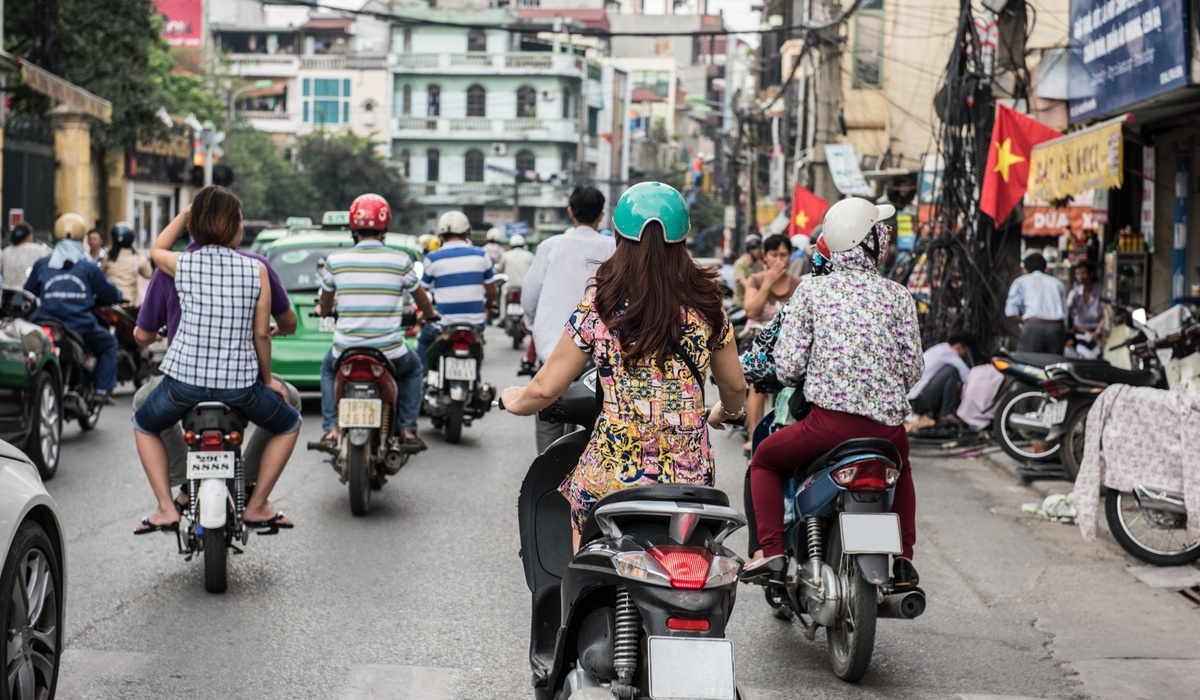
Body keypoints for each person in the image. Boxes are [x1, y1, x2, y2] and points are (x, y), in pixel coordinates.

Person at [500, 181, 747, 552]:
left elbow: (545, 388)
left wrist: (514, 400)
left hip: (612, 475)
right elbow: (735, 388)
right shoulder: (708, 305)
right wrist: (727, 411)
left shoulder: (600, 305)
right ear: (683, 239)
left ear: (618, 236)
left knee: (581, 527)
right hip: (689, 478)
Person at [742, 198, 924, 589]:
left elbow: (788, 368)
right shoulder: (898, 295)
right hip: (888, 433)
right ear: (869, 241)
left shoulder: (811, 292)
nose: (885, 236)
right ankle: (904, 560)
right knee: (904, 469)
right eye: (880, 231)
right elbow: (912, 370)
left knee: (764, 459)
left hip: (827, 428)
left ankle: (772, 552)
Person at [131, 185, 300, 535]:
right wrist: (267, 381)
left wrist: (185, 213)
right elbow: (262, 335)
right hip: (241, 388)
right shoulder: (257, 269)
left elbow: (157, 249)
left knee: (144, 424)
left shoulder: (182, 264)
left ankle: (166, 507)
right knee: (289, 423)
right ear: (235, 226)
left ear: (195, 225)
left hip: (183, 385)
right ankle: (257, 505)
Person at [317, 193, 437, 452]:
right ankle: (407, 428)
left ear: (353, 227)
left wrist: (324, 310)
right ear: (385, 228)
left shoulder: (335, 261)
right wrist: (429, 314)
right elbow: (421, 299)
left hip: (345, 349)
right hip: (389, 350)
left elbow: (325, 304)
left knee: (327, 369)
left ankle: (330, 429)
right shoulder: (401, 261)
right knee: (414, 369)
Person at [522, 186, 616, 453]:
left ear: (570, 212)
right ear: (601, 215)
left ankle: (546, 466)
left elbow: (529, 295)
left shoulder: (550, 246)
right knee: (598, 416)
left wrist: (530, 323)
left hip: (552, 347)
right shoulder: (613, 247)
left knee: (548, 411)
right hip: (600, 353)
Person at [24, 213, 123, 405]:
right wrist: (117, 296)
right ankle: (101, 389)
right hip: (79, 325)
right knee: (109, 343)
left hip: (44, 323)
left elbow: (28, 292)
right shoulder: (88, 268)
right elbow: (110, 294)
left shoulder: (42, 265)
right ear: (81, 238)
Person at [741, 234, 803, 453]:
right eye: (774, 254)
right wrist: (767, 283)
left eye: (783, 255)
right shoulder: (756, 280)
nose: (779, 260)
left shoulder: (799, 284)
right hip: (759, 342)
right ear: (765, 256)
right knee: (757, 381)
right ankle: (753, 435)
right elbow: (751, 310)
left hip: (788, 345)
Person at [418, 211, 497, 369]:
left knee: (423, 341)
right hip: (475, 323)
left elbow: (421, 292)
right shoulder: (481, 255)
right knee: (476, 352)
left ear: (441, 235)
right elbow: (492, 291)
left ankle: (423, 377)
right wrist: (488, 305)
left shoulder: (433, 258)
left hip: (443, 323)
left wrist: (425, 314)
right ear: (467, 232)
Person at [1004, 252, 1067, 354]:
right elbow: (1065, 313)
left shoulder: (1020, 281)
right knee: (1055, 363)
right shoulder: (1057, 283)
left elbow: (1010, 312)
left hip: (1032, 326)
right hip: (1055, 328)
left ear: (1024, 269)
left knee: (1026, 362)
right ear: (1045, 268)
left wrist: (1027, 321)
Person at [907, 332, 973, 427]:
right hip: (918, 401)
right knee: (951, 371)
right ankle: (946, 413)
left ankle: (940, 412)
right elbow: (968, 377)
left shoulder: (940, 348)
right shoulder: (949, 353)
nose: (965, 354)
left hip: (913, 399)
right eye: (966, 350)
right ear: (958, 347)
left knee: (950, 375)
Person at [101, 222, 153, 306]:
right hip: (130, 304)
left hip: (111, 303)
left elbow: (101, 273)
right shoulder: (139, 259)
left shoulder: (107, 258)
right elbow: (149, 275)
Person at [1066, 261, 1106, 359]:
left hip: (1099, 331)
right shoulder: (1074, 293)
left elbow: (1106, 314)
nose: (1080, 277)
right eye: (1077, 274)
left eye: (1083, 273)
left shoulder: (1101, 291)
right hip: (1080, 330)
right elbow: (1067, 312)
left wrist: (1097, 332)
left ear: (1091, 274)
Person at [1, 222, 52, 288]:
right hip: (28, 293)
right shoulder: (39, 250)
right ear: (29, 236)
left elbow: (2, 273)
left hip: (7, 292)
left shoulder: (6, 252)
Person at [731, 234, 763, 307]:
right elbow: (743, 282)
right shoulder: (740, 264)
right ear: (750, 249)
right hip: (740, 303)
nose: (760, 251)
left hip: (754, 303)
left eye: (760, 248)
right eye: (757, 249)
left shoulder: (760, 265)